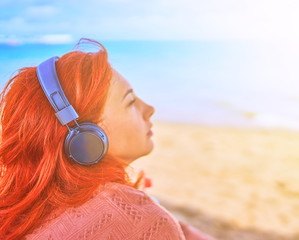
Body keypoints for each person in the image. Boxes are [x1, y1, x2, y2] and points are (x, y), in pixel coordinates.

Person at [0, 39, 214, 240]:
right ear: (84, 137)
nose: (149, 109)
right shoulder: (141, 220)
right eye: (130, 102)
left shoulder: (21, 205)